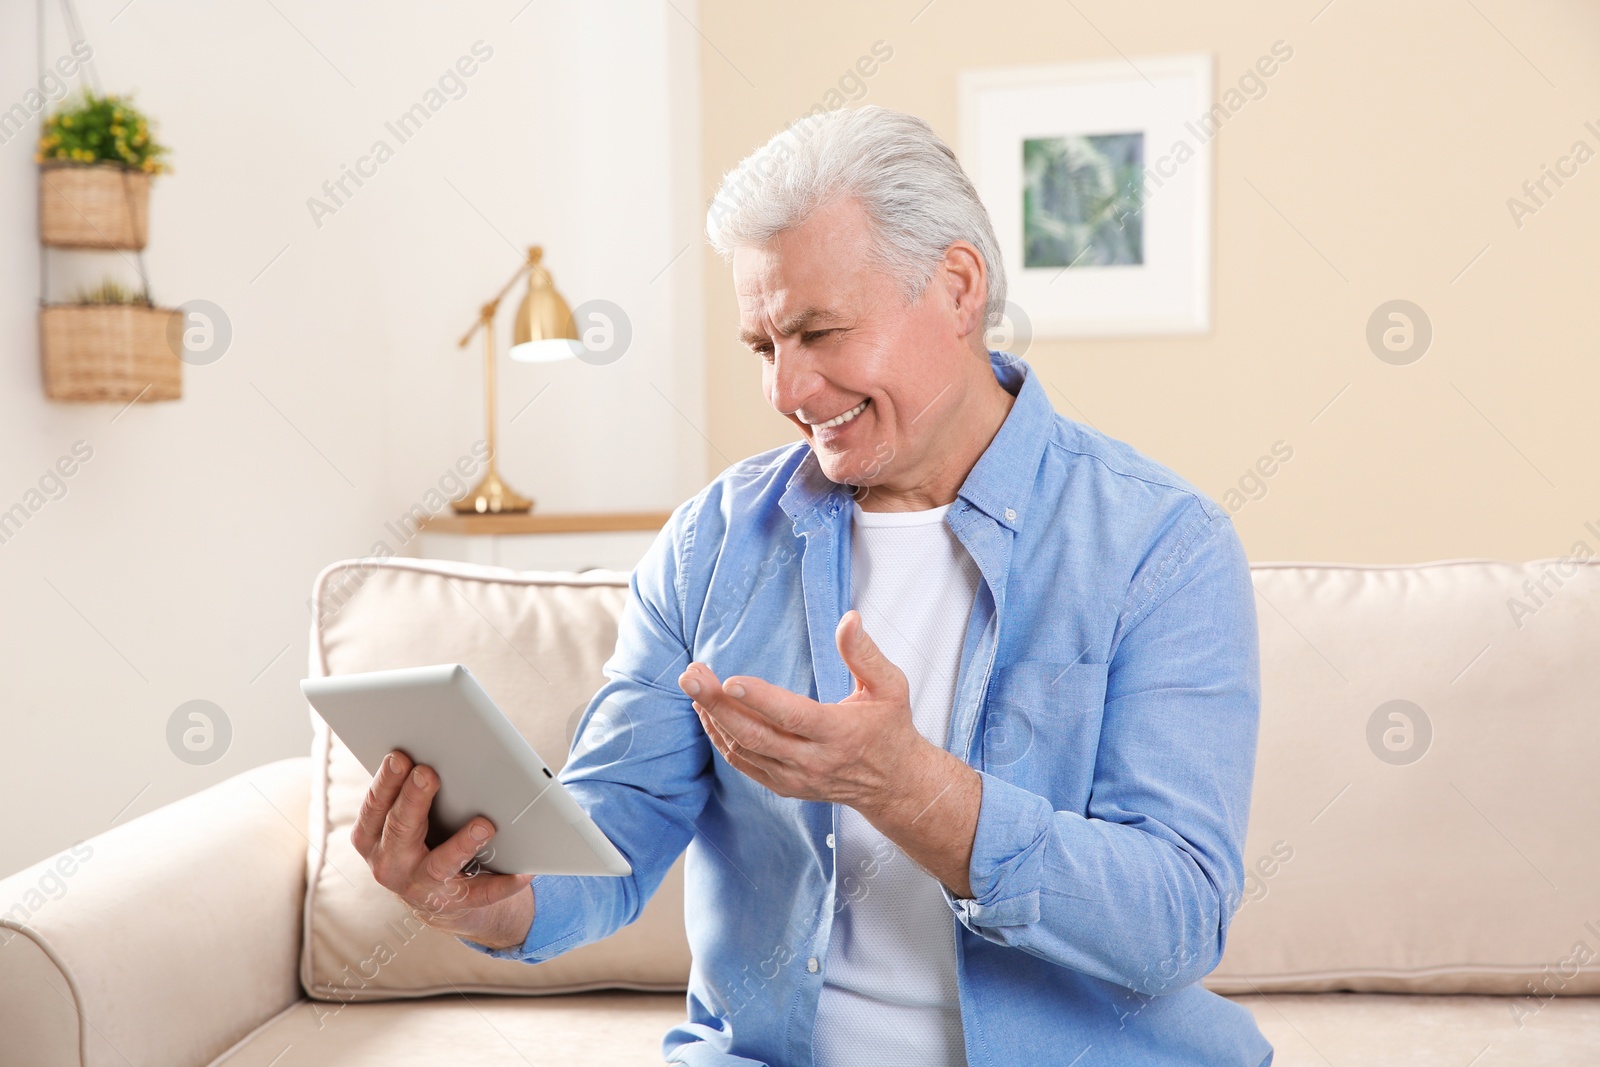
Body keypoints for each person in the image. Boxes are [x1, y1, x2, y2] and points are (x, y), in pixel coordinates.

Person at [352, 105, 1274, 1067]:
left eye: (821, 331)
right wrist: (493, 900)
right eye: (763, 347)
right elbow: (612, 827)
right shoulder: (712, 542)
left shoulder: (1161, 545)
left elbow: (1175, 920)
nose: (789, 389)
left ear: (958, 288)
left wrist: (909, 787)